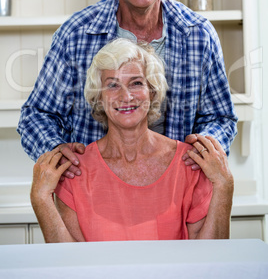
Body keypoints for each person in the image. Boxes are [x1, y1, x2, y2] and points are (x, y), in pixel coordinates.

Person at [18, 0, 237, 177]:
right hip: (94, 193)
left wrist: (200, 153)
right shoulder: (76, 34)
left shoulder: (200, 34)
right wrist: (56, 150)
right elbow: (37, 116)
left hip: (175, 193)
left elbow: (220, 119)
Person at [30, 39, 234, 242]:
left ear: (152, 91)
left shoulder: (189, 163)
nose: (126, 96)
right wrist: (40, 199)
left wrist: (224, 185)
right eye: (112, 85)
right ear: (99, 98)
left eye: (136, 83)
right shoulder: (75, 170)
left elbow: (208, 257)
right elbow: (70, 265)